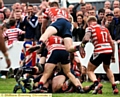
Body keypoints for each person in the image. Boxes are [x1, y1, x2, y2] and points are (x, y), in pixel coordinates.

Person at [80, 16, 119, 94]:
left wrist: (82, 45)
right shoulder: (105, 28)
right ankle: (114, 87)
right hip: (109, 50)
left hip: (99, 50)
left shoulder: (90, 28)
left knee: (89, 70)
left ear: (88, 23)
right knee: (107, 68)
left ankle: (97, 84)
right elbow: (112, 42)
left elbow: (86, 38)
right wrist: (113, 55)